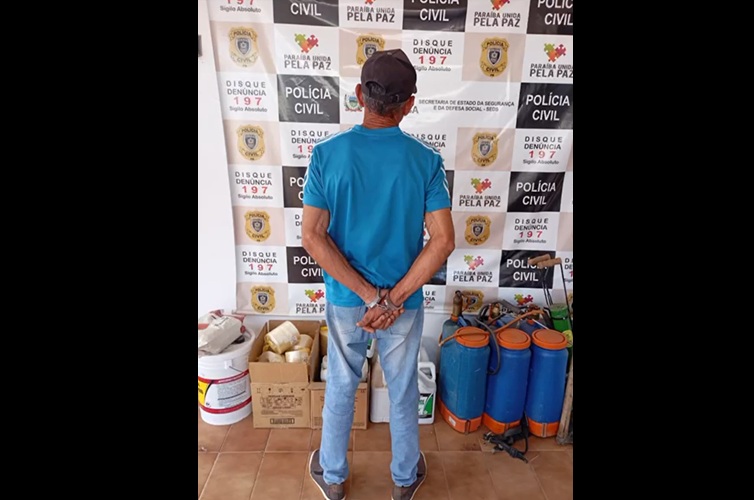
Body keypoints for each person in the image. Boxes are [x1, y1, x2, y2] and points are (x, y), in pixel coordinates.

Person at [302, 48, 455, 500]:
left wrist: (370, 297)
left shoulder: (327, 155)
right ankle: (404, 480)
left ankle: (333, 477)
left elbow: (312, 236)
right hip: (400, 306)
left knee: (341, 384)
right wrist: (391, 299)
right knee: (403, 390)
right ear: (409, 104)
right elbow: (443, 241)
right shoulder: (425, 161)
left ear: (358, 95)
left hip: (348, 300)